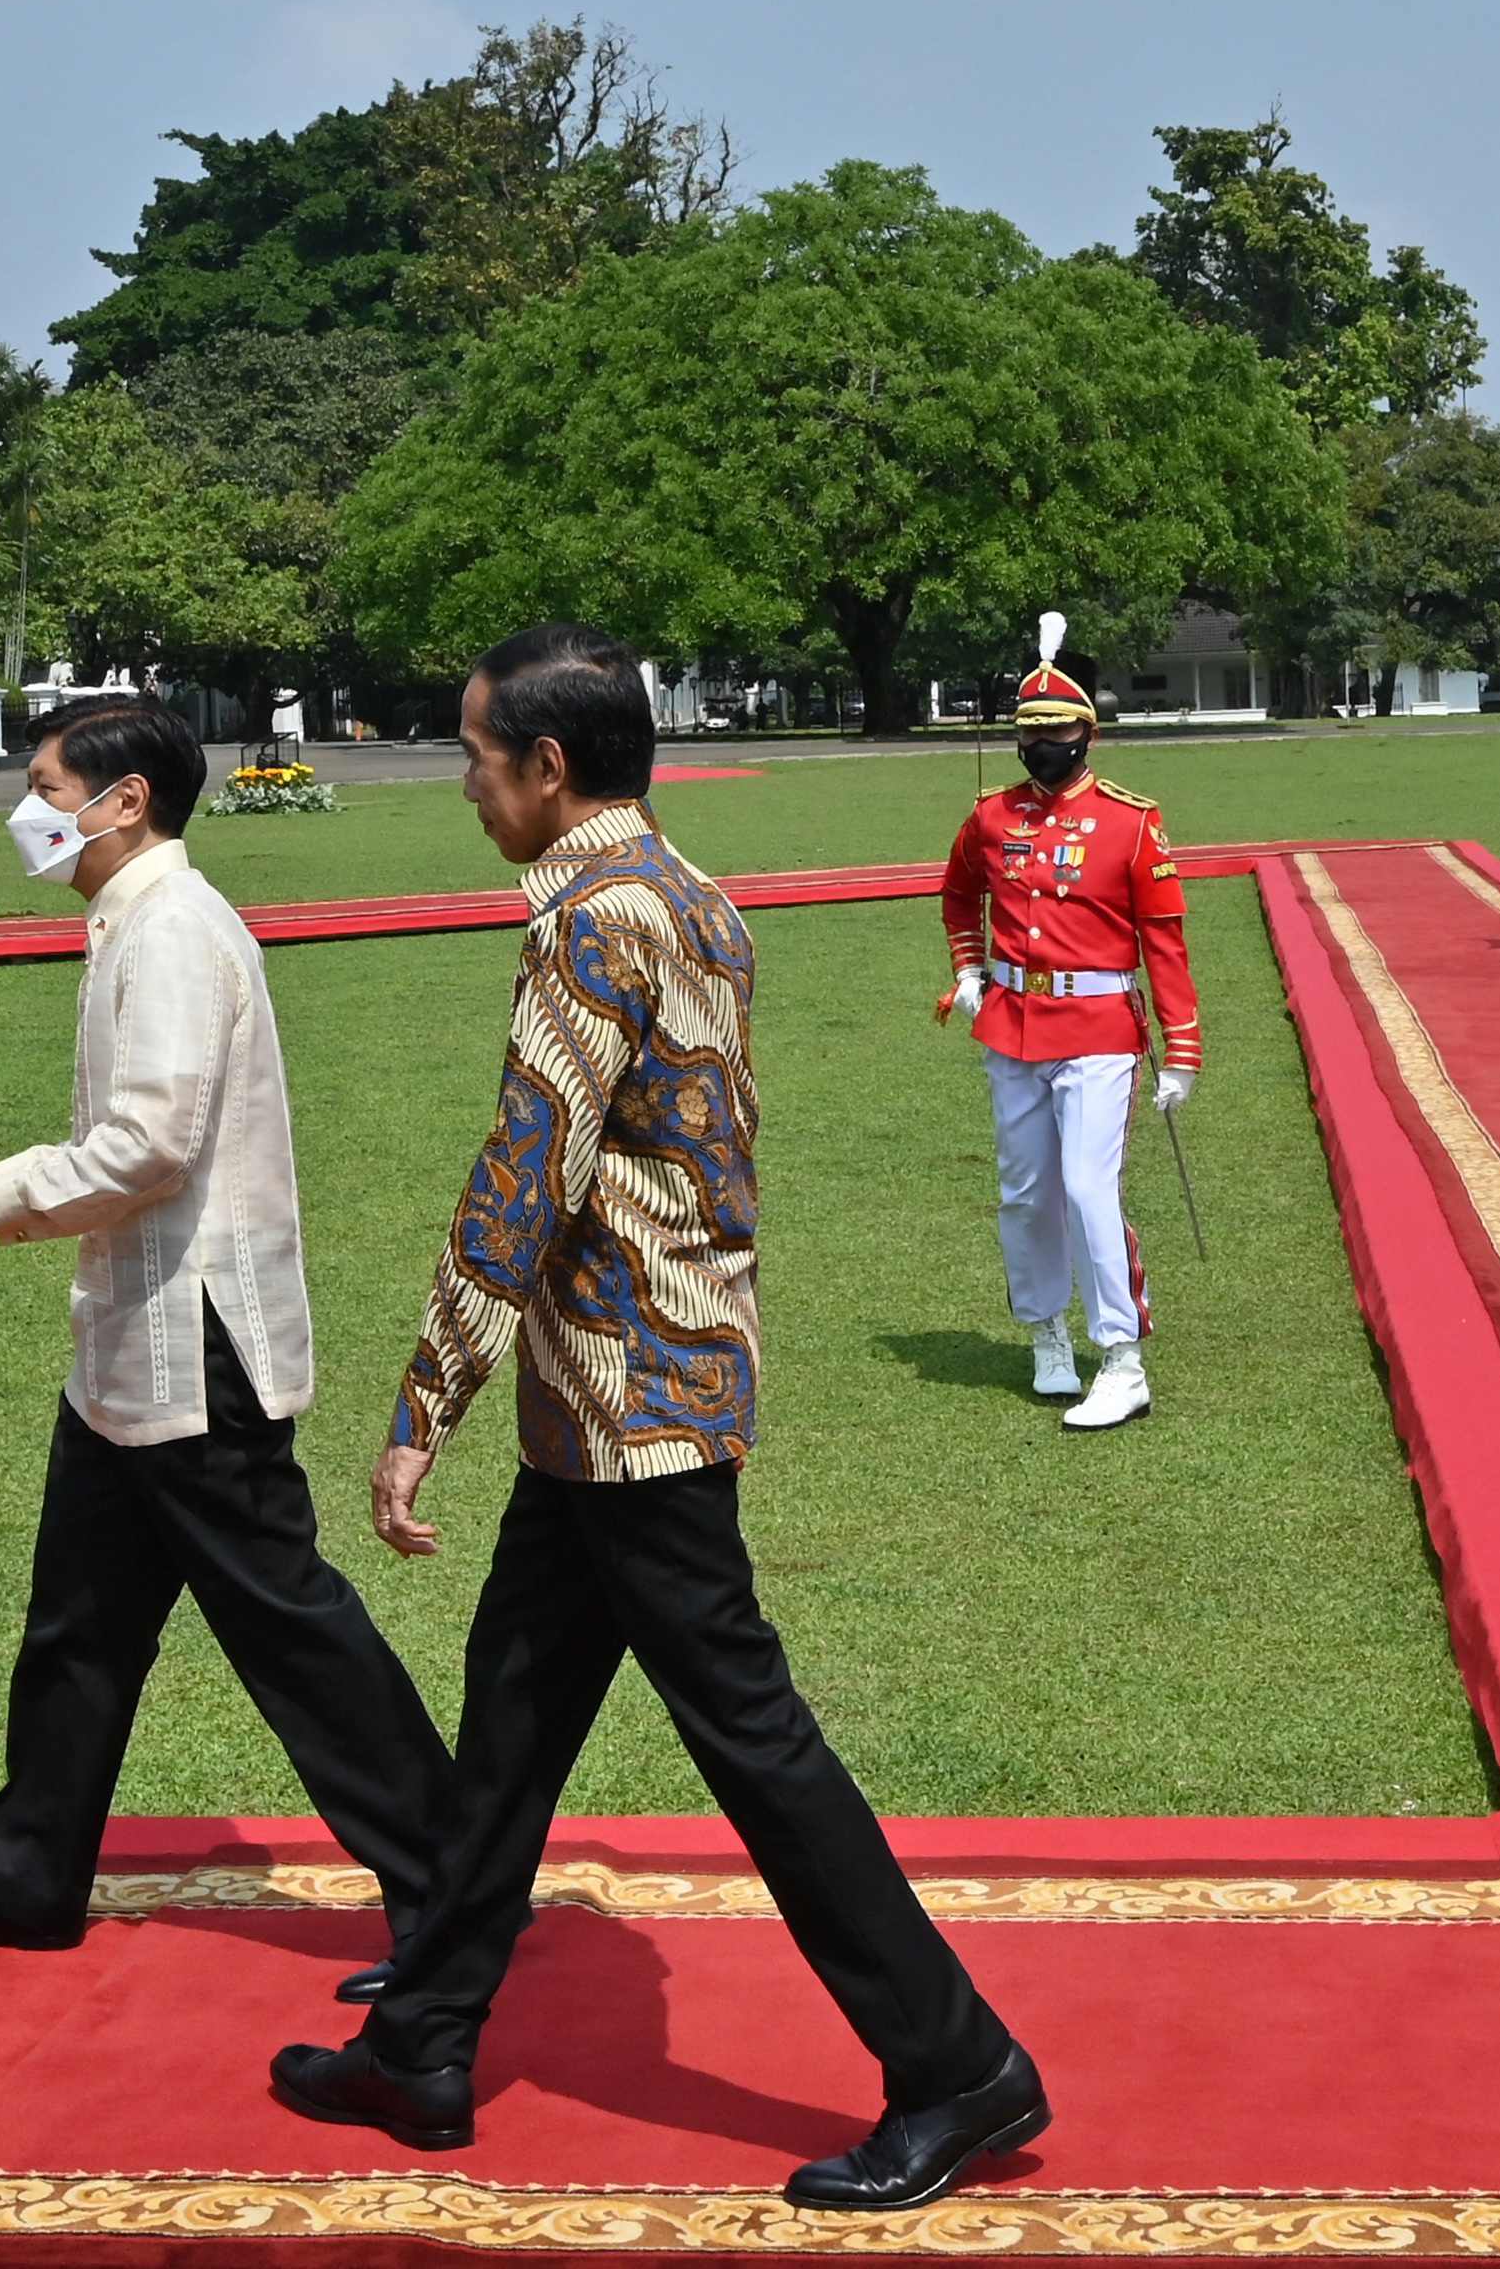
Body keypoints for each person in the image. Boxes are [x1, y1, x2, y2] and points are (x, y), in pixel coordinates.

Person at [273, 624, 1045, 2205]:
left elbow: (526, 1170)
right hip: (632, 1384)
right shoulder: (689, 890)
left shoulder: (592, 921)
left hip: (630, 1396)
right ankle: (426, 2032)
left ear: (549, 767)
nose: (465, 785)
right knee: (511, 1716)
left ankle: (957, 2062)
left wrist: (426, 1393)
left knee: (753, 1740)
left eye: (476, 756)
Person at [0, 694, 453, 1963]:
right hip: (136, 1336)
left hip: (194, 1344)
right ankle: (27, 1876)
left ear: (123, 800)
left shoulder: (173, 927)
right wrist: (13, 1186)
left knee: (289, 1629)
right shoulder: (137, 920)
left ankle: (451, 1887)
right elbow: (137, 1143)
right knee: (78, 1622)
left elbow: (150, 1143)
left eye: (47, 783)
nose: (31, 809)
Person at [935, 617, 1197, 1432]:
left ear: (1087, 732)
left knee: (1088, 1188)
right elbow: (956, 893)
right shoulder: (990, 816)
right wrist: (969, 971)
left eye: (1054, 731)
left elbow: (1163, 934)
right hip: (1012, 1021)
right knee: (1024, 1192)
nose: (1039, 745)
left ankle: (1122, 1358)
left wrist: (1180, 1046)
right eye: (1027, 732)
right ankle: (1046, 1332)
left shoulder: (1130, 819)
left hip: (1099, 1024)